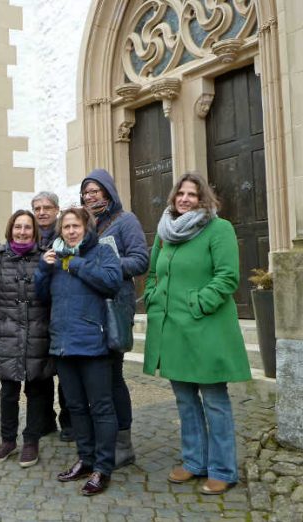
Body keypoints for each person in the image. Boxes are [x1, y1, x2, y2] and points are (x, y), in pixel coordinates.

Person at [143, 172, 251, 495]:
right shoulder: (165, 233)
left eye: (192, 194)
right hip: (172, 330)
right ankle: (194, 462)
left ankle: (222, 469)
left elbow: (228, 276)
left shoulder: (219, 229)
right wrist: (152, 297)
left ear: (204, 199)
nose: (185, 199)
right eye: (181, 194)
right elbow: (152, 274)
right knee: (185, 400)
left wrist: (197, 303)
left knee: (215, 401)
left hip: (206, 329)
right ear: (173, 198)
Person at [35, 206, 123, 496]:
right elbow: (43, 296)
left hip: (93, 343)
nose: (71, 231)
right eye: (66, 227)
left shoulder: (102, 252)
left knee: (101, 407)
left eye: (76, 226)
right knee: (74, 408)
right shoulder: (56, 257)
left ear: (87, 228)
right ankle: (86, 459)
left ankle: (103, 467)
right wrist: (43, 270)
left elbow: (111, 283)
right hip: (62, 343)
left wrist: (74, 264)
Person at [80, 169, 149, 467]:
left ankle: (123, 442)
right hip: (88, 309)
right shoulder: (84, 223)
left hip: (115, 308)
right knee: (95, 378)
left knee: (113, 376)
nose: (90, 196)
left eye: (95, 190)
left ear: (108, 191)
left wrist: (106, 264)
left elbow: (140, 260)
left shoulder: (125, 221)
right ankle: (101, 438)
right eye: (86, 192)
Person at [0, 210, 54, 468]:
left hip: (37, 333)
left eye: (27, 228)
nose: (22, 232)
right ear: (10, 229)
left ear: (34, 231)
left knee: (35, 390)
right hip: (7, 333)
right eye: (18, 227)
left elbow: (51, 298)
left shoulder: (45, 257)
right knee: (9, 392)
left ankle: (31, 440)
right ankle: (8, 440)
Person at [32, 191, 72, 442]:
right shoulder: (28, 237)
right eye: (37, 208)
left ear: (57, 210)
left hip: (62, 312)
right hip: (35, 314)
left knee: (66, 373)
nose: (42, 212)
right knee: (38, 372)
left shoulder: (65, 235)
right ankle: (43, 419)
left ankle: (68, 421)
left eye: (47, 207)